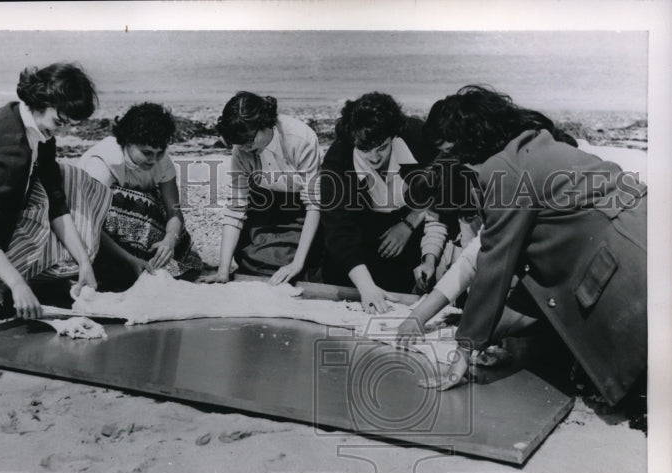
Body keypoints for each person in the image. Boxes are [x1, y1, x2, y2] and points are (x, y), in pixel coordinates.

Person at [402, 85, 646, 406]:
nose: (453, 161)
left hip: (624, 262)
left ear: (469, 141)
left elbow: (494, 262)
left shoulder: (501, 170)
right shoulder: (532, 142)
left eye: (453, 152)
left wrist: (464, 348)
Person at [0, 62, 109, 321]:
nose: (63, 131)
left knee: (66, 178)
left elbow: (56, 198)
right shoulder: (11, 151)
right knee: (67, 212)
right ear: (41, 100)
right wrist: (18, 285)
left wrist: (84, 262)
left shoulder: (28, 122)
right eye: (60, 122)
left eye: (69, 124)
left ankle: (17, 275)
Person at [319, 92, 450, 314]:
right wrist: (366, 287)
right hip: (360, 229)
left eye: (382, 147)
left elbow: (444, 177)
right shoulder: (337, 160)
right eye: (365, 149)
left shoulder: (418, 137)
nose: (374, 158)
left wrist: (409, 223)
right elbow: (338, 230)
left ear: (394, 135)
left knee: (406, 294)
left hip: (410, 222)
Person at [202, 91, 322, 285]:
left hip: (300, 205)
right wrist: (222, 271)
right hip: (264, 203)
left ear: (266, 123)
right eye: (240, 144)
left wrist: (297, 264)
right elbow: (236, 209)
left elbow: (314, 204)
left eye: (250, 140)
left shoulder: (301, 139)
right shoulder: (241, 147)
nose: (246, 148)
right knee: (250, 255)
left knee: (296, 262)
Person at [78, 102, 203, 286]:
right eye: (146, 153)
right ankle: (129, 264)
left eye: (159, 153)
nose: (153, 160)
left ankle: (145, 263)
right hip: (95, 233)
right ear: (128, 141)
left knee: (177, 240)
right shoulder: (103, 163)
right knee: (131, 201)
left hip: (142, 232)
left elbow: (174, 212)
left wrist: (170, 241)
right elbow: (88, 223)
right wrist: (128, 258)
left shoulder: (162, 162)